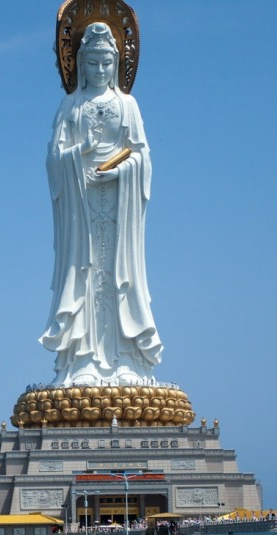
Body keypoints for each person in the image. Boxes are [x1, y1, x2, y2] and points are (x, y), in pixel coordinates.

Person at [40, 22, 161, 386]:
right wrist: (81, 153)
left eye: (107, 63)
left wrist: (122, 171)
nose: (100, 70)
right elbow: (54, 160)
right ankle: (84, 360)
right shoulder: (71, 105)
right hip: (81, 205)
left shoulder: (128, 105)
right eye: (93, 63)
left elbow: (143, 157)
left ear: (117, 64)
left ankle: (126, 358)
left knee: (120, 277)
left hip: (120, 205)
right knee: (85, 274)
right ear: (80, 64)